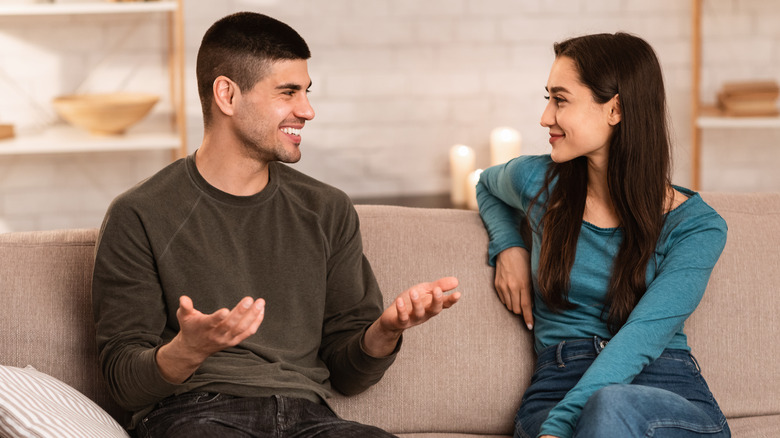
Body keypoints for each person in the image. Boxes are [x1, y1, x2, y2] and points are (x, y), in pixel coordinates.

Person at [92, 12, 460, 438]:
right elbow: (122, 381)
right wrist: (187, 350)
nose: (307, 110)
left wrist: (386, 329)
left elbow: (348, 375)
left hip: (311, 419)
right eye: (288, 92)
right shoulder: (140, 213)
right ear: (227, 95)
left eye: (306, 91)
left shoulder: (327, 209)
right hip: (197, 415)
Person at [476, 33, 730, 438]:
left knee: (610, 407)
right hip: (557, 386)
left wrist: (558, 429)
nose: (545, 118)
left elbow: (642, 337)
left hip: (664, 393)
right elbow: (486, 185)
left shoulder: (697, 227)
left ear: (614, 109)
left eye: (560, 100)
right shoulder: (539, 182)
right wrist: (509, 246)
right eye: (548, 98)